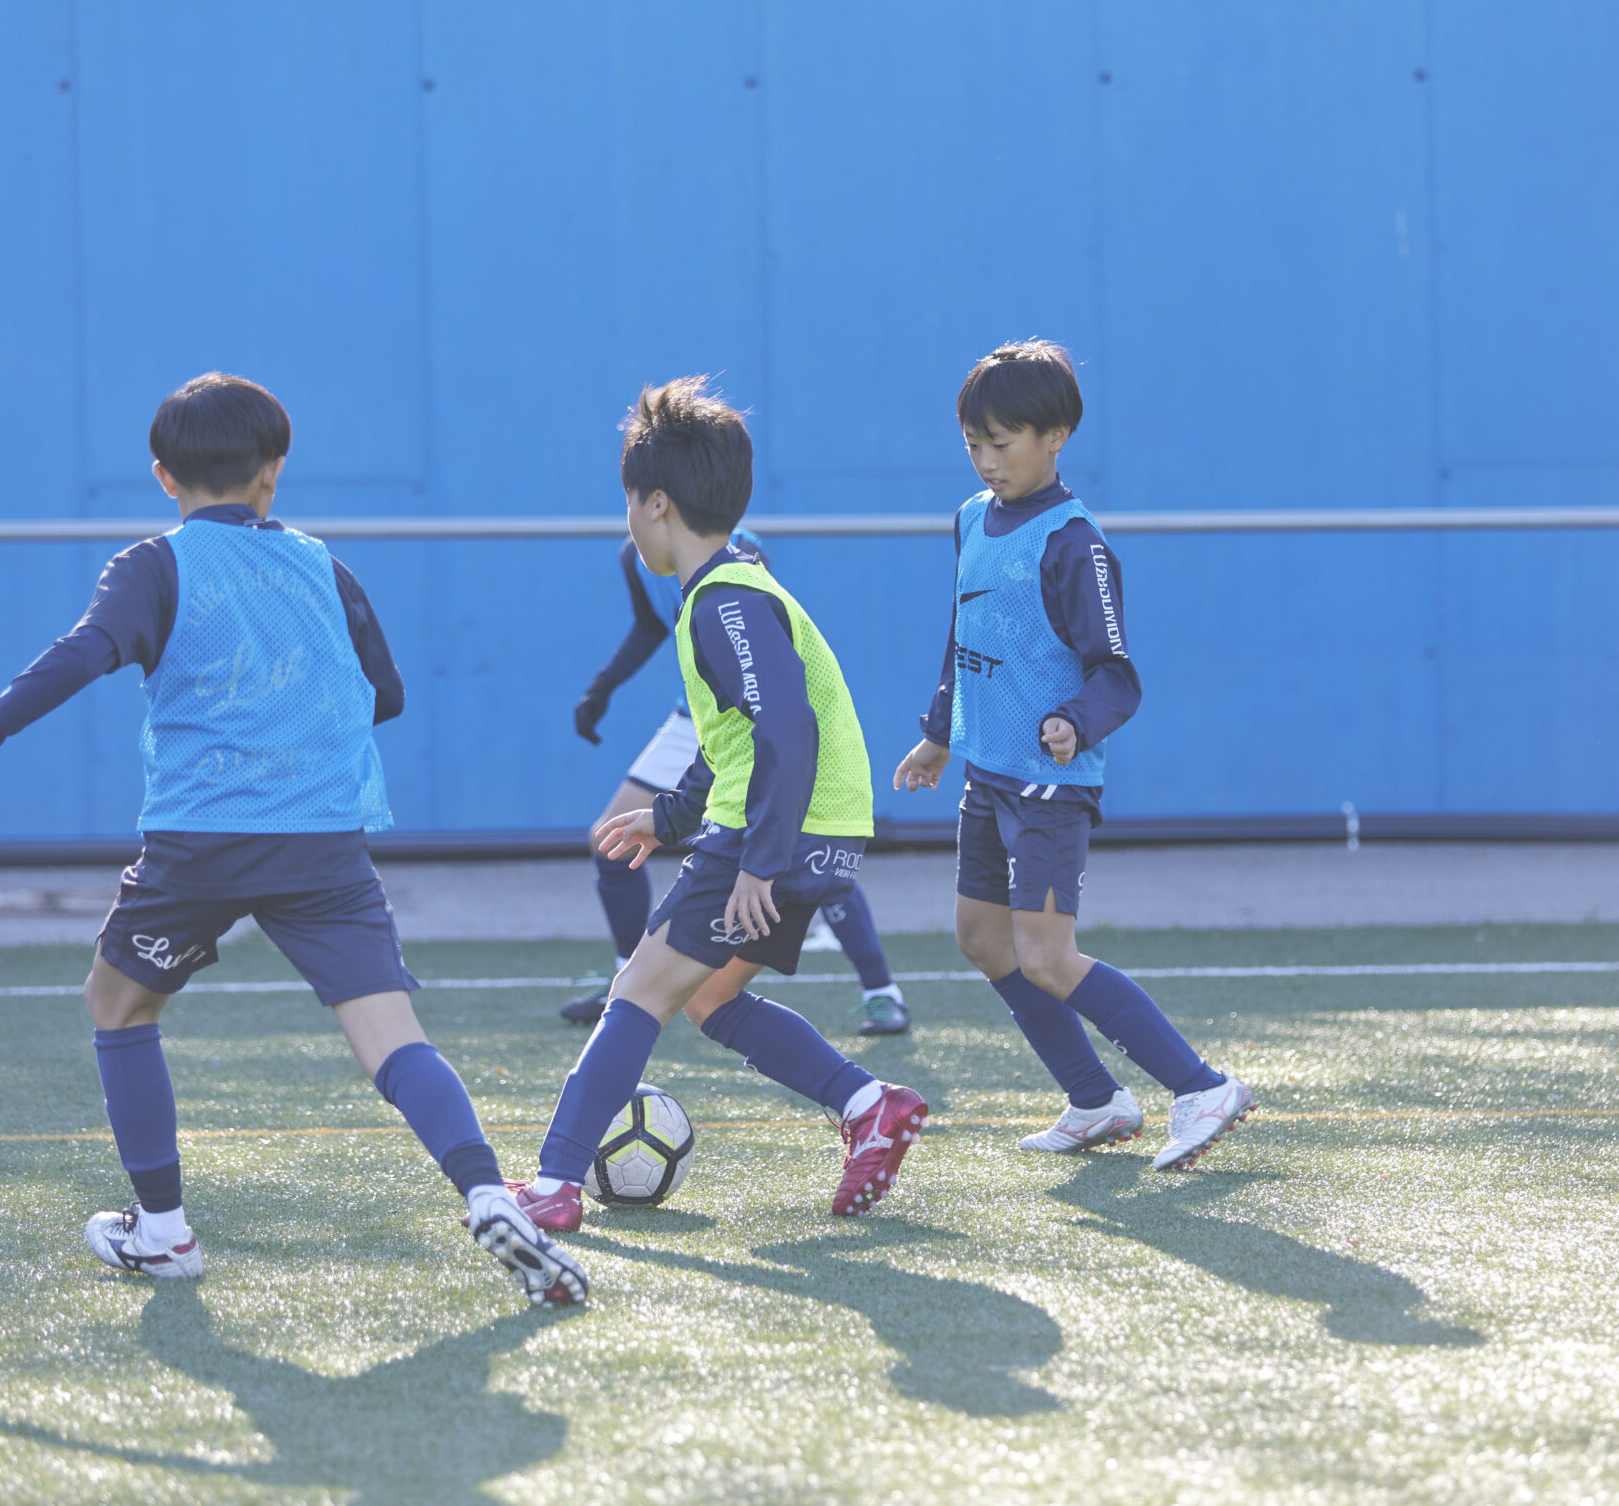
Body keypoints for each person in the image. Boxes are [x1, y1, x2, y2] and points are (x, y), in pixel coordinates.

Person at [0, 374, 583, 1304]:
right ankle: (486, 1191)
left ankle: (163, 1232)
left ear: (162, 475)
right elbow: (386, 694)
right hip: (324, 840)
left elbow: (80, 657)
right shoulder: (322, 565)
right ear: (274, 471)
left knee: (117, 1005)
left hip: (202, 841)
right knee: (393, 1036)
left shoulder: (154, 565)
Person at [511, 379, 928, 1254]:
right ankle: (869, 1104)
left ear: (656, 503)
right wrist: (667, 816)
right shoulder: (726, 591)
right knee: (706, 996)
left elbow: (787, 728)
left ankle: (551, 1186)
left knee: (636, 992)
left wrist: (758, 859)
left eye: (628, 502)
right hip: (814, 828)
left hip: (776, 833)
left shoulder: (724, 600)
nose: (629, 521)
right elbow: (738, 737)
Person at [893, 341, 1252, 1171]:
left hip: (1050, 787)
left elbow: (1116, 674)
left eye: (1002, 442)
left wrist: (1074, 723)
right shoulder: (969, 519)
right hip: (988, 775)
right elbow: (963, 634)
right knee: (983, 939)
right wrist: (940, 733)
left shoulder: (1074, 542)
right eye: (973, 443)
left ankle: (1201, 1086)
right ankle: (1095, 1098)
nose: (986, 460)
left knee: (1048, 958)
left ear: (1055, 436)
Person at [570, 525, 910, 1035]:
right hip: (697, 723)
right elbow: (649, 625)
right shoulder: (634, 556)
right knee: (609, 840)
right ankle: (628, 975)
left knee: (806, 852)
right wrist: (604, 685)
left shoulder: (735, 551)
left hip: (754, 720)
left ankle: (881, 990)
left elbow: (764, 659)